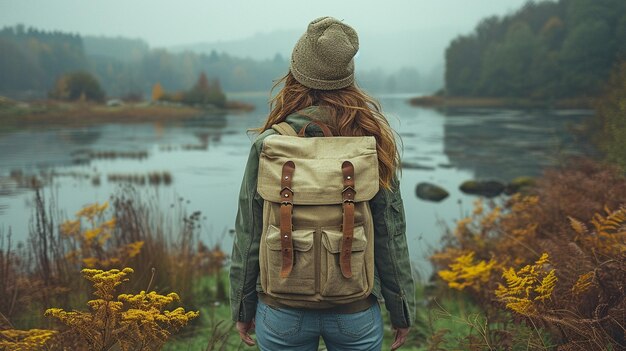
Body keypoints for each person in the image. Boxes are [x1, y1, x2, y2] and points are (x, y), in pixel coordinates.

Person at [229, 16, 415, 351]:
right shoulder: (370, 142)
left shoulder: (270, 144)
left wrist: (243, 307)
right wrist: (401, 310)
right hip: (354, 311)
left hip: (281, 310)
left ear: (296, 75)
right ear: (348, 78)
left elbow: (248, 234)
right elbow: (390, 232)